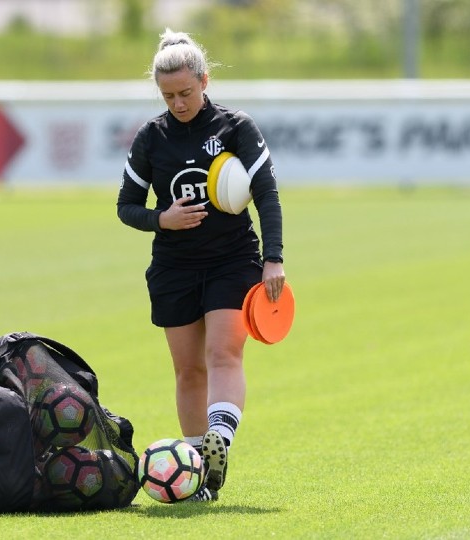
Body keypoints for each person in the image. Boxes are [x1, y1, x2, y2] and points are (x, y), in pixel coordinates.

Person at [116, 28, 286, 502]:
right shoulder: (152, 137)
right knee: (188, 370)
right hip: (173, 266)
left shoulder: (235, 128)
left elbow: (267, 196)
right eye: (168, 95)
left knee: (223, 354)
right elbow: (126, 205)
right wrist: (161, 219)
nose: (178, 102)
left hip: (233, 260)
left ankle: (219, 443)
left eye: (186, 92)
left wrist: (273, 260)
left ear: (205, 81)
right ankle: (196, 478)